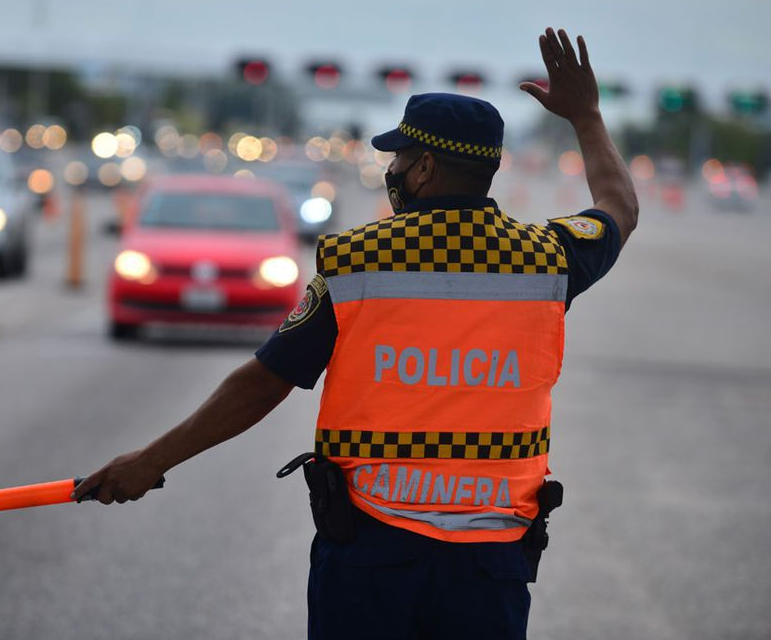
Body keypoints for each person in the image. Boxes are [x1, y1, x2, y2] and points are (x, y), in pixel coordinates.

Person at [74, 28, 638, 639]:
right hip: (491, 562)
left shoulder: (357, 261)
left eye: (396, 160)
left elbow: (265, 381)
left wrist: (150, 461)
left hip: (372, 555)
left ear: (423, 168)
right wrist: (587, 117)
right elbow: (619, 207)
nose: (390, 172)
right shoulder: (548, 259)